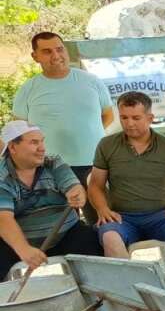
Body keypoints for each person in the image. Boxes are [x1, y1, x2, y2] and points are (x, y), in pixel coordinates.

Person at [87, 92, 165, 295]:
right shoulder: (107, 145)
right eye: (124, 117)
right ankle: (131, 295)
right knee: (110, 235)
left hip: (160, 215)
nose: (129, 124)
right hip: (122, 217)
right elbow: (95, 185)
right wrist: (102, 209)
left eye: (136, 118)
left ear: (150, 117)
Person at [11, 31, 113, 224]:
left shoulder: (91, 81)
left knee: (103, 223)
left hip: (94, 166)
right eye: (47, 51)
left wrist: (86, 137)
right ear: (36, 57)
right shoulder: (28, 89)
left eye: (59, 49)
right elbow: (20, 131)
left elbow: (107, 115)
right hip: (50, 170)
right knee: (62, 228)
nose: (56, 56)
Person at [0, 121, 101, 278]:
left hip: (65, 234)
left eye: (42, 141)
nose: (42, 148)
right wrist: (24, 249)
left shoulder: (53, 162)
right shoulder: (2, 176)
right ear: (12, 147)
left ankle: (98, 298)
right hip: (20, 242)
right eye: (34, 142)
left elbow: (74, 187)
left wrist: (77, 193)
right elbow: (3, 219)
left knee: (89, 240)